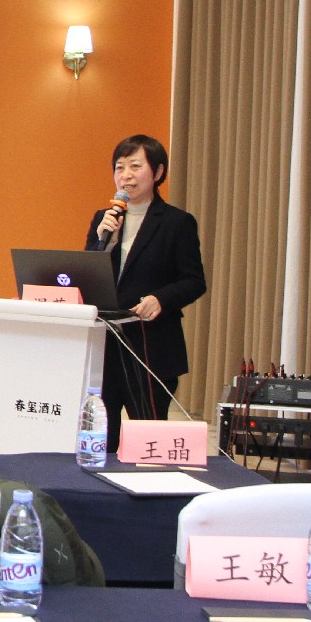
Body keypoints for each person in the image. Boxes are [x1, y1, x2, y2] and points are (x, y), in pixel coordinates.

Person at [83, 135, 206, 451]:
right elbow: (87, 276)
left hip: (151, 344)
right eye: (119, 167)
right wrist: (103, 243)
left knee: (146, 439)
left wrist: (161, 299)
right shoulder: (103, 219)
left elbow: (194, 281)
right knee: (101, 436)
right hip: (104, 343)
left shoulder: (177, 222)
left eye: (135, 166)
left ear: (158, 172)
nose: (125, 175)